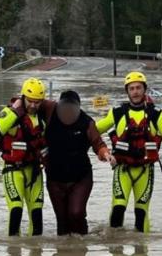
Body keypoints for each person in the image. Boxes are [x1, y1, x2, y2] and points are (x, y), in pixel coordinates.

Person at [96, 71, 162, 233]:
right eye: (131, 88)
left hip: (145, 170)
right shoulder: (117, 113)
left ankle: (141, 252)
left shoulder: (157, 115)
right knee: (118, 209)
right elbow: (94, 130)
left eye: (138, 88)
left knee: (141, 213)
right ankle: (116, 253)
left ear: (144, 90)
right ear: (127, 91)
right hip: (122, 170)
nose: (135, 92)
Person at [42, 90, 115, 236]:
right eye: (64, 107)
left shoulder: (86, 122)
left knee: (76, 213)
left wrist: (106, 154)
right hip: (54, 178)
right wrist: (16, 103)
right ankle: (66, 255)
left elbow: (98, 144)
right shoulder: (49, 111)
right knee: (62, 221)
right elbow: (32, 100)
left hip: (81, 178)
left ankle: (82, 242)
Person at [0, 78, 49, 236]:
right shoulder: (10, 112)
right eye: (30, 101)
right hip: (12, 170)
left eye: (37, 102)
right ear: (23, 98)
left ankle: (36, 255)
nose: (33, 106)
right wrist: (14, 112)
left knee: (37, 213)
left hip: (34, 171)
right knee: (16, 208)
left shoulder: (42, 119)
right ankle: (13, 252)